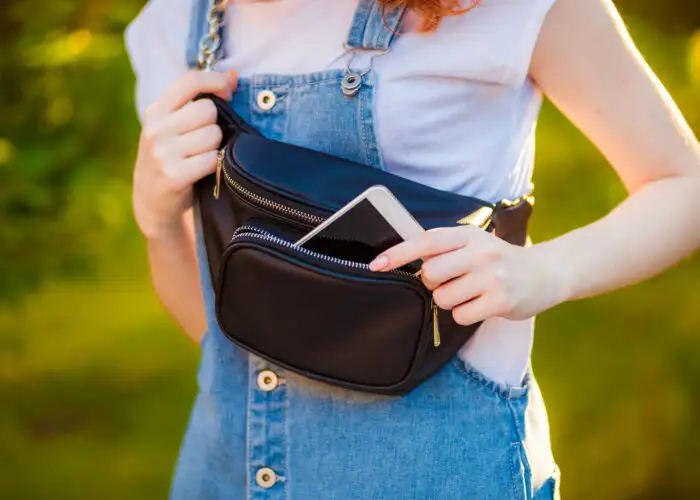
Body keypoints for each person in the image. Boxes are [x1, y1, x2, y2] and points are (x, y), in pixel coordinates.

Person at [125, 0, 700, 497]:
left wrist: (547, 271)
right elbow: (220, 333)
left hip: (442, 473)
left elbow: (682, 184)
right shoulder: (175, 24)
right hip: (224, 475)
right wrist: (155, 218)